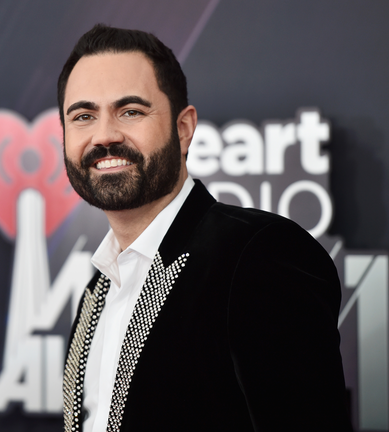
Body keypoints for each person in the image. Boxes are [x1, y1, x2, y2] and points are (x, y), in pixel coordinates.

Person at [58, 24, 352, 432]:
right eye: (84, 116)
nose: (105, 135)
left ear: (184, 129)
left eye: (131, 111)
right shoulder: (98, 290)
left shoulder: (258, 255)